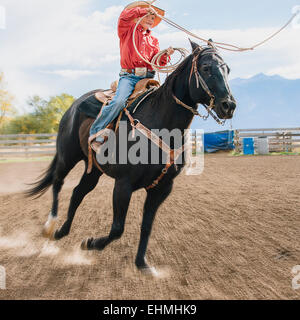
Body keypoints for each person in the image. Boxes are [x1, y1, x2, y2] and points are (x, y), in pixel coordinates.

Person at [90, 2, 175, 150]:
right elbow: (123, 17)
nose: (151, 19)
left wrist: (165, 55)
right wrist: (143, 9)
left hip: (148, 77)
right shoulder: (127, 30)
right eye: (148, 15)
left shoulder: (154, 41)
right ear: (138, 17)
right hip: (129, 77)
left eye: (153, 17)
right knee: (119, 101)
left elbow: (157, 63)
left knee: (163, 102)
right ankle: (96, 133)